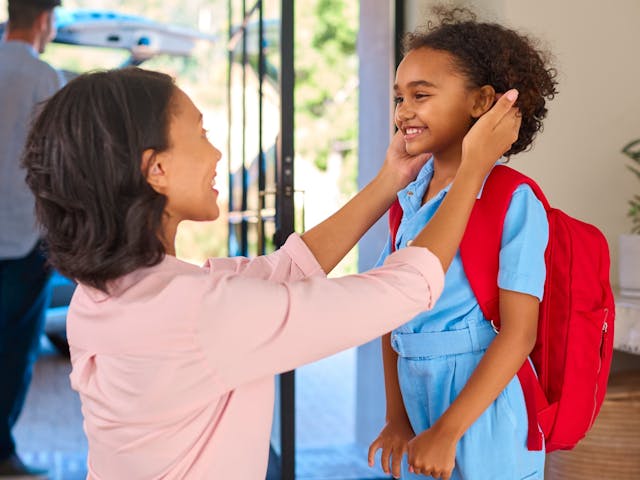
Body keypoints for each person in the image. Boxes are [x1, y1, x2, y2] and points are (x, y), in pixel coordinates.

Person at [21, 66, 520, 479]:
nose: (217, 154)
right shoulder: (197, 314)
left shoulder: (108, 293)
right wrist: (472, 170)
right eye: (200, 134)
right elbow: (405, 288)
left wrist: (392, 178)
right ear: (156, 170)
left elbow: (285, 270)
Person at [367, 6, 558, 480]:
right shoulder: (407, 199)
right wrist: (397, 417)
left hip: (481, 409)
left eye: (421, 95)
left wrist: (450, 430)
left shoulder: (512, 200)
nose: (403, 110)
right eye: (399, 97)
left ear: (482, 102)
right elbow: (389, 314)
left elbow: (519, 333)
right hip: (418, 407)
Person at [0, 0, 64, 476]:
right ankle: (2, 451)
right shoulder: (44, 77)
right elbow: (56, 162)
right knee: (15, 346)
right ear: (45, 20)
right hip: (24, 236)